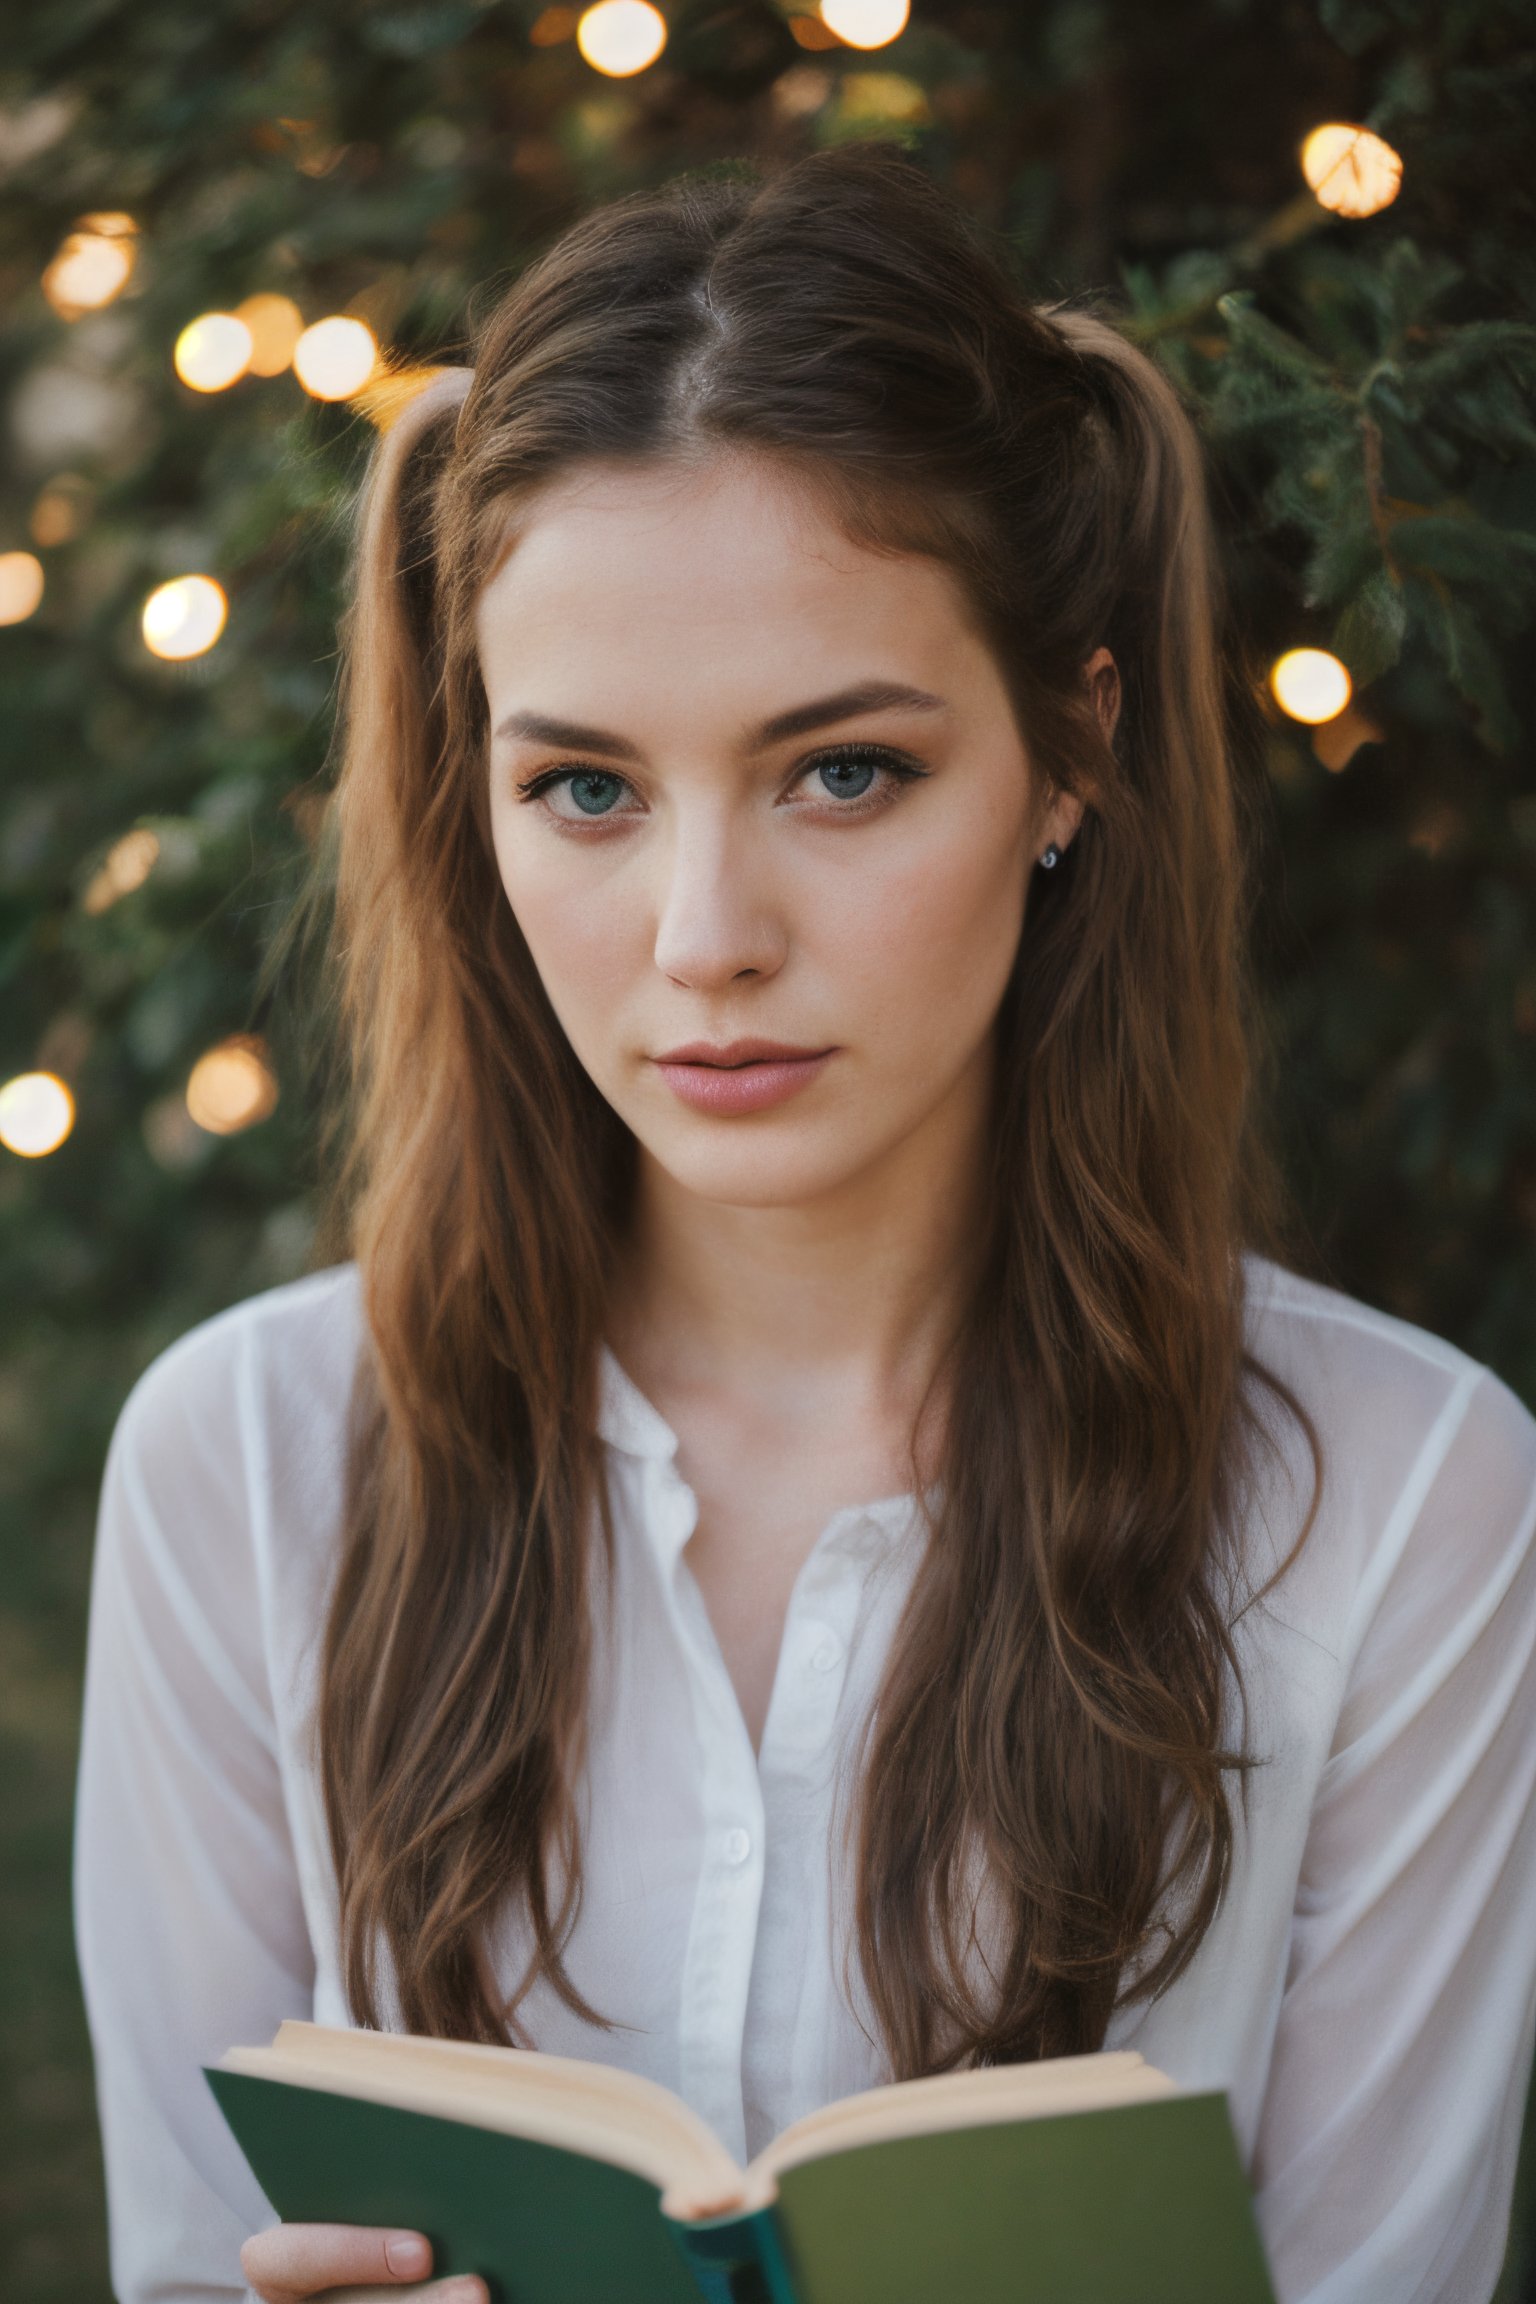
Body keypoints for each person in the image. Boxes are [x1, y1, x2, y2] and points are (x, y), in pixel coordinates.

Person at [74, 145, 1536, 2304]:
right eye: (585, 789)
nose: (703, 941)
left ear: (1070, 754)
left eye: (842, 771)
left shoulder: (1403, 1509)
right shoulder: (250, 1467)